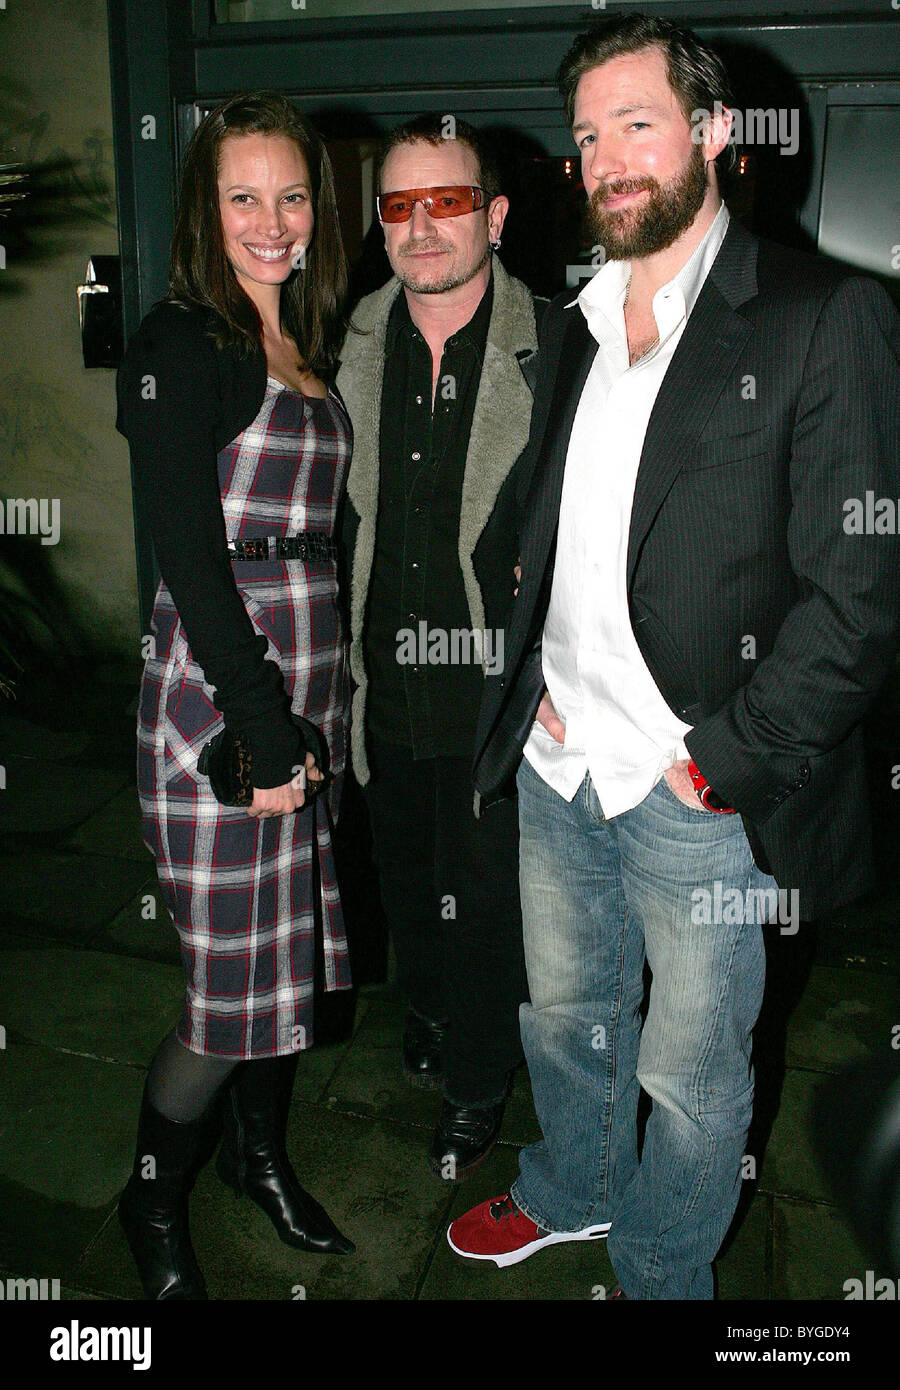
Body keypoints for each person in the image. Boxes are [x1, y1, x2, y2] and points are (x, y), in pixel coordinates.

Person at [449, 14, 900, 1297]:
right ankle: (573, 1189)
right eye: (588, 137)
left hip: (700, 791)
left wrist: (724, 764)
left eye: (636, 124)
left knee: (694, 1080)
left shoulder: (824, 317)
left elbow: (863, 591)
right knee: (565, 1019)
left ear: (712, 136)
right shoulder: (580, 319)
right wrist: (530, 675)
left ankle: (658, 1272)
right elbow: (543, 521)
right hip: (560, 765)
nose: (605, 158)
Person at [115, 91, 355, 1300]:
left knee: (288, 968)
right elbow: (191, 564)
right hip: (225, 708)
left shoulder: (304, 344)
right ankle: (148, 1206)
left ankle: (258, 1159)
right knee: (225, 996)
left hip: (306, 698)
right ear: (206, 212)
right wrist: (261, 734)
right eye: (242, 195)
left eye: (293, 193)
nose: (272, 220)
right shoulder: (180, 343)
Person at [336, 115, 538, 1179]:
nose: (422, 227)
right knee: (406, 879)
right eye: (400, 205)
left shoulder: (554, 348)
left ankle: (477, 1077)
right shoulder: (347, 342)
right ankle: (425, 1011)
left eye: (447, 201)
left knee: (487, 901)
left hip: (490, 694)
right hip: (383, 682)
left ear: (493, 216)